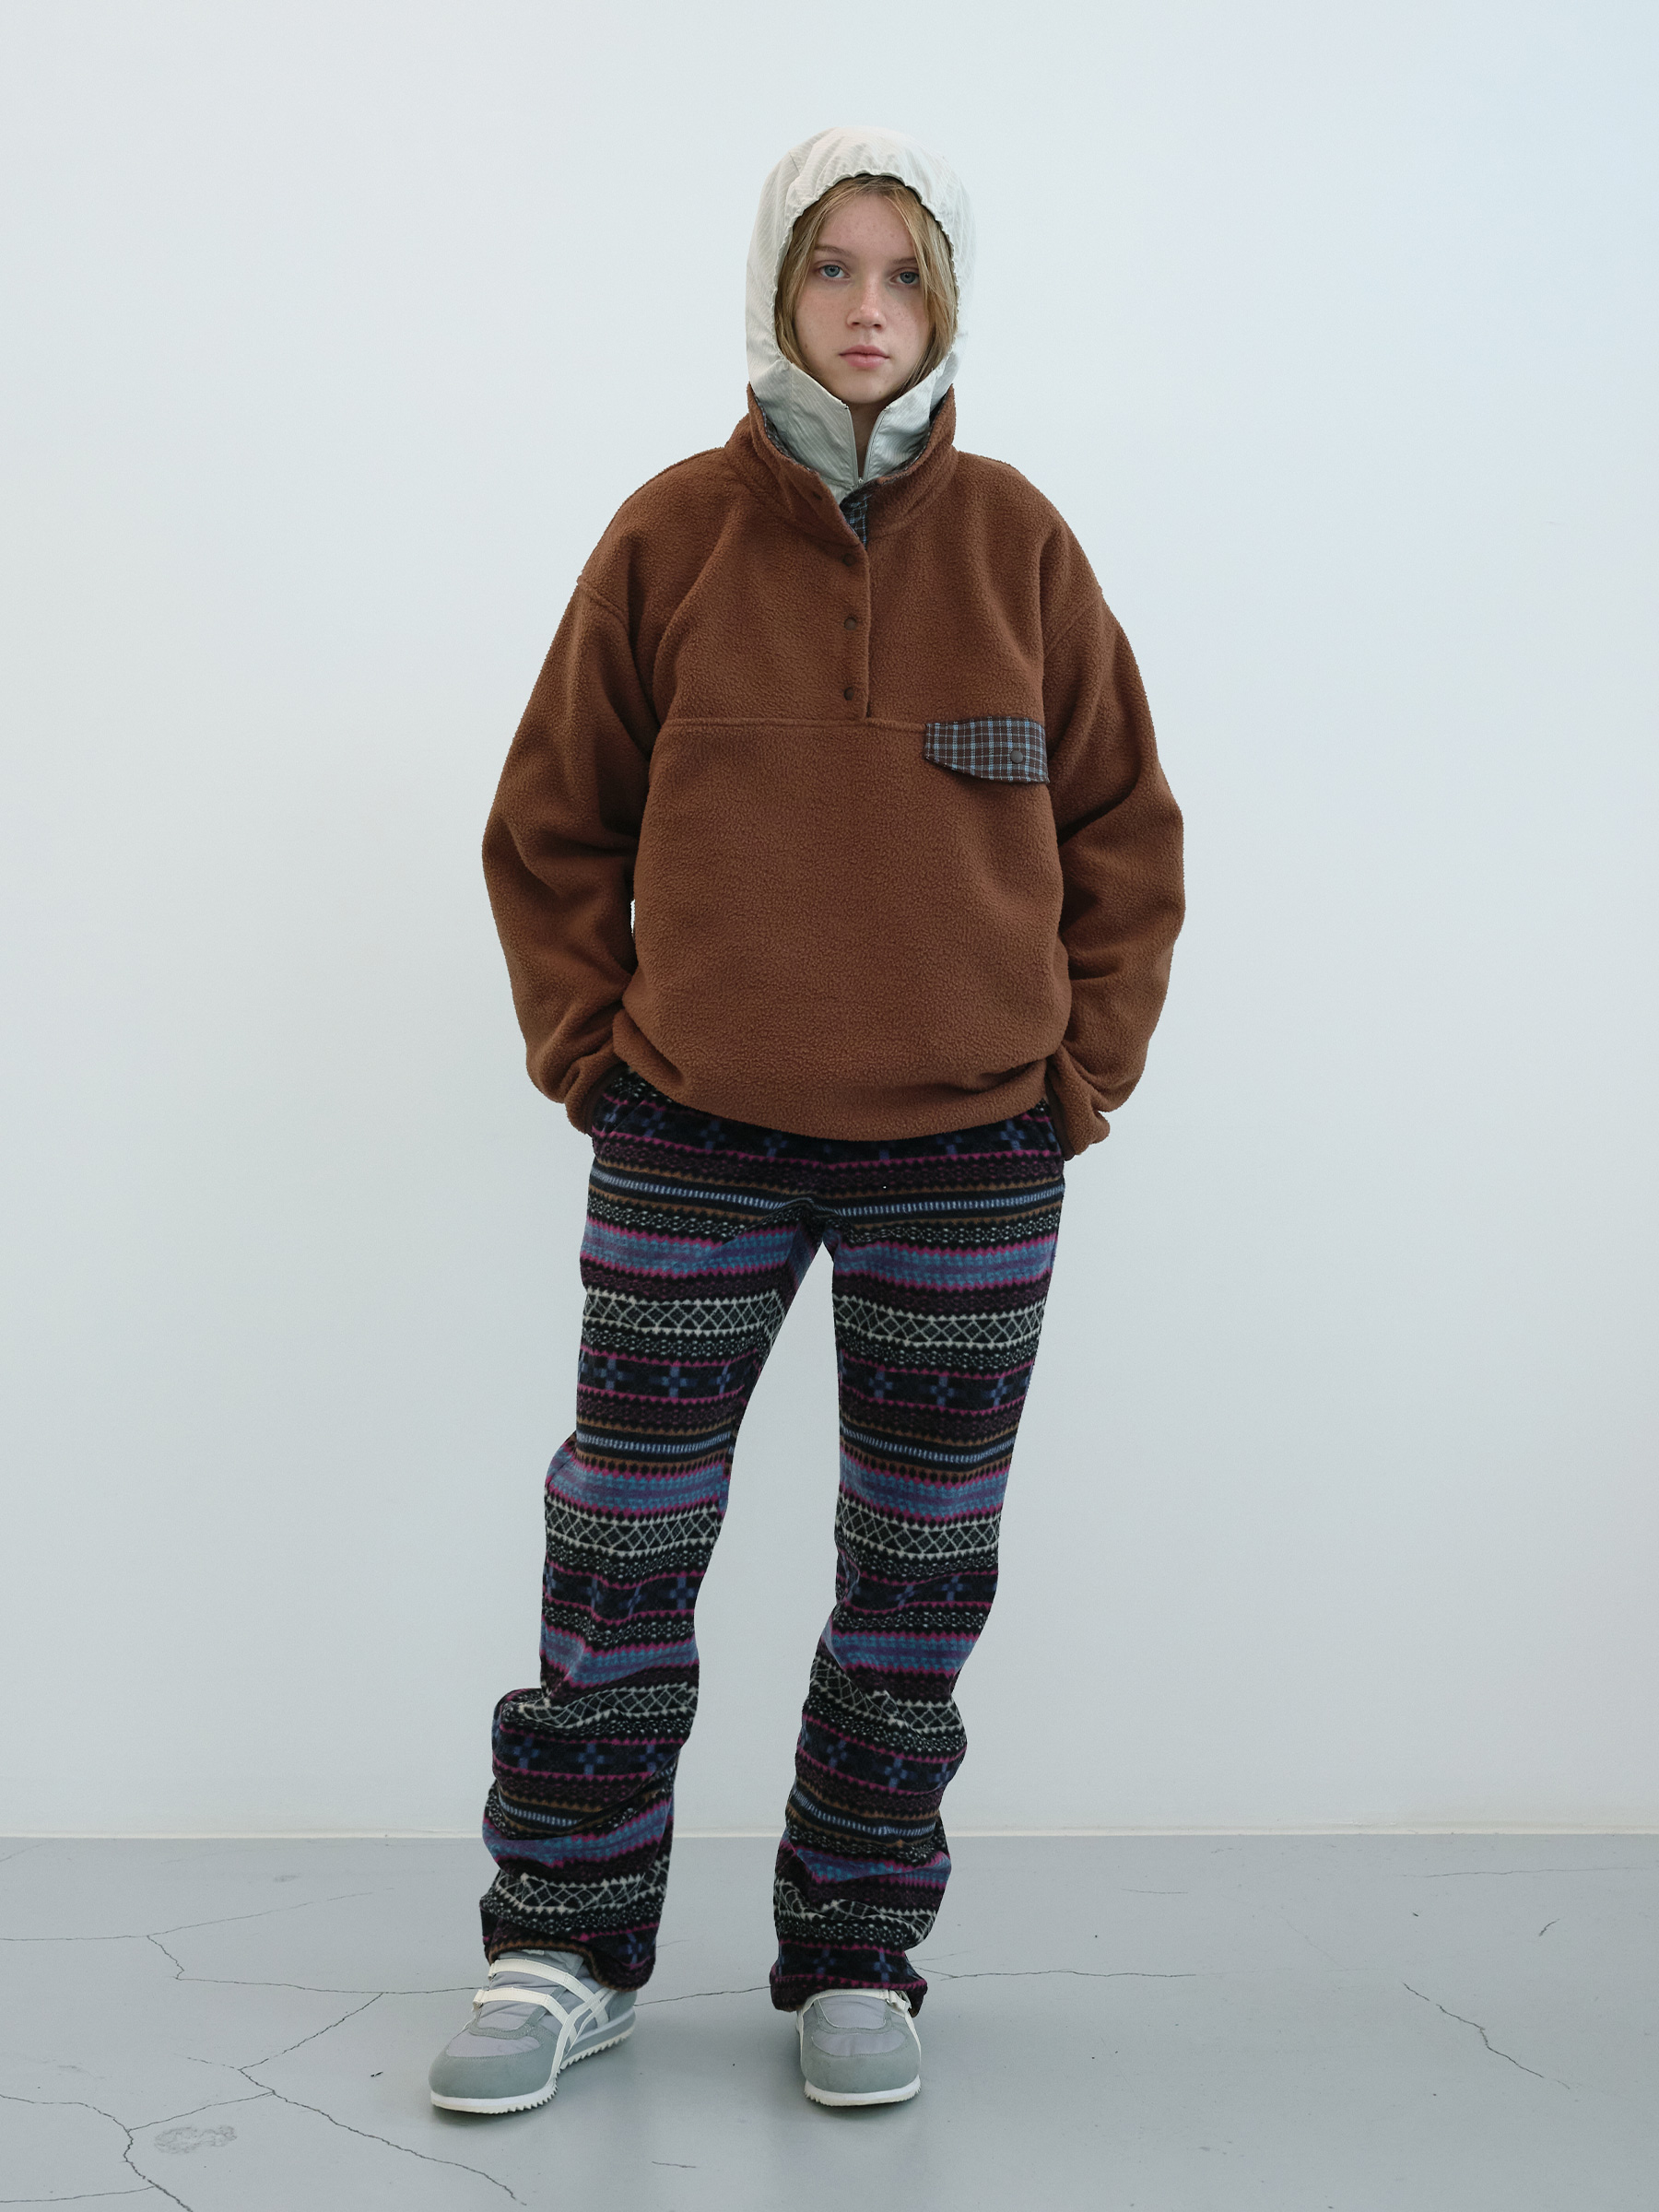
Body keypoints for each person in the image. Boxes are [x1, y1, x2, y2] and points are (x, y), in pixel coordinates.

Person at [428, 123, 1183, 2117]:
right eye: (832, 269)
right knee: (622, 1539)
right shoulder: (670, 534)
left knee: (917, 1572)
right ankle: (564, 1942)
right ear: (778, 290)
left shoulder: (1019, 543)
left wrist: (1073, 1081)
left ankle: (857, 1948)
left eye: (904, 274)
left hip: (973, 1153)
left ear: (946, 302)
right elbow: (549, 824)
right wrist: (594, 1057)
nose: (868, 308)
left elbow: (1124, 831)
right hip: (693, 1133)